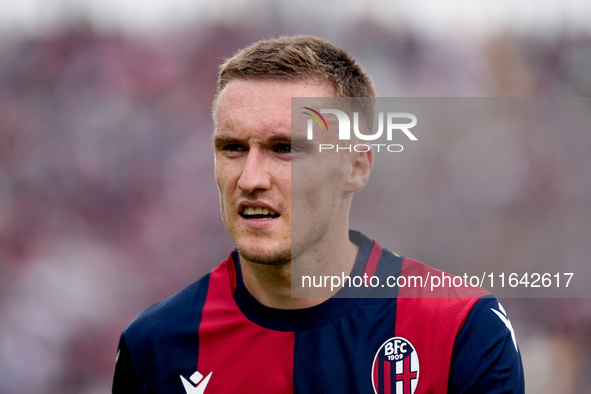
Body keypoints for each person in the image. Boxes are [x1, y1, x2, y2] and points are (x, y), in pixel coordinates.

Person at [113, 35, 524, 393]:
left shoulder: (460, 329)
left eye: (285, 148)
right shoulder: (156, 346)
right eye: (233, 148)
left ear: (356, 166)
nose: (250, 178)